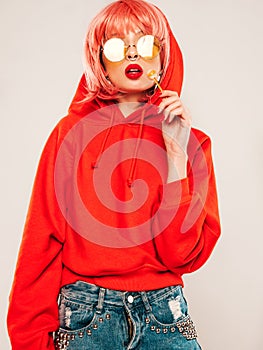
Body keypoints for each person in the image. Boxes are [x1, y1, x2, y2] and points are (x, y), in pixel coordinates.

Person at [7, 0, 221, 349]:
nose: (133, 55)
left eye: (146, 43)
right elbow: (41, 240)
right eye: (118, 45)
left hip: (164, 314)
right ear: (100, 59)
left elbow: (181, 256)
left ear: (163, 55)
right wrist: (30, 340)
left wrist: (176, 152)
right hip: (86, 315)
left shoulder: (191, 142)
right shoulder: (71, 133)